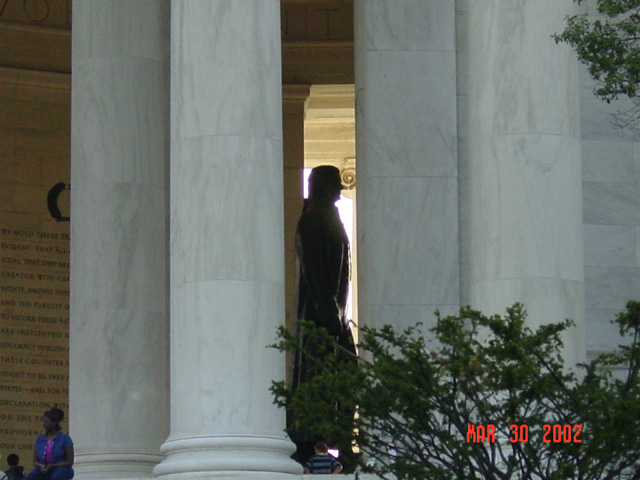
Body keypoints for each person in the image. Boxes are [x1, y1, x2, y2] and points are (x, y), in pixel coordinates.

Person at [290, 165, 356, 465]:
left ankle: (341, 443)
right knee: (318, 379)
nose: (340, 192)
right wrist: (330, 318)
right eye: (334, 185)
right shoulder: (313, 220)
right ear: (320, 187)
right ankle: (310, 444)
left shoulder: (328, 217)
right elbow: (315, 272)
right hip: (322, 319)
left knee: (347, 378)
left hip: (335, 317)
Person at [25, 408, 74, 480]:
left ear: (54, 423)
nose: (43, 424)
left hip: (62, 470)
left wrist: (53, 465)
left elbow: (69, 462)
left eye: (46, 422)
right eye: (43, 422)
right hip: (44, 469)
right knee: (30, 477)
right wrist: (41, 466)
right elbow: (35, 461)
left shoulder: (65, 439)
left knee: (55, 477)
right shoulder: (40, 439)